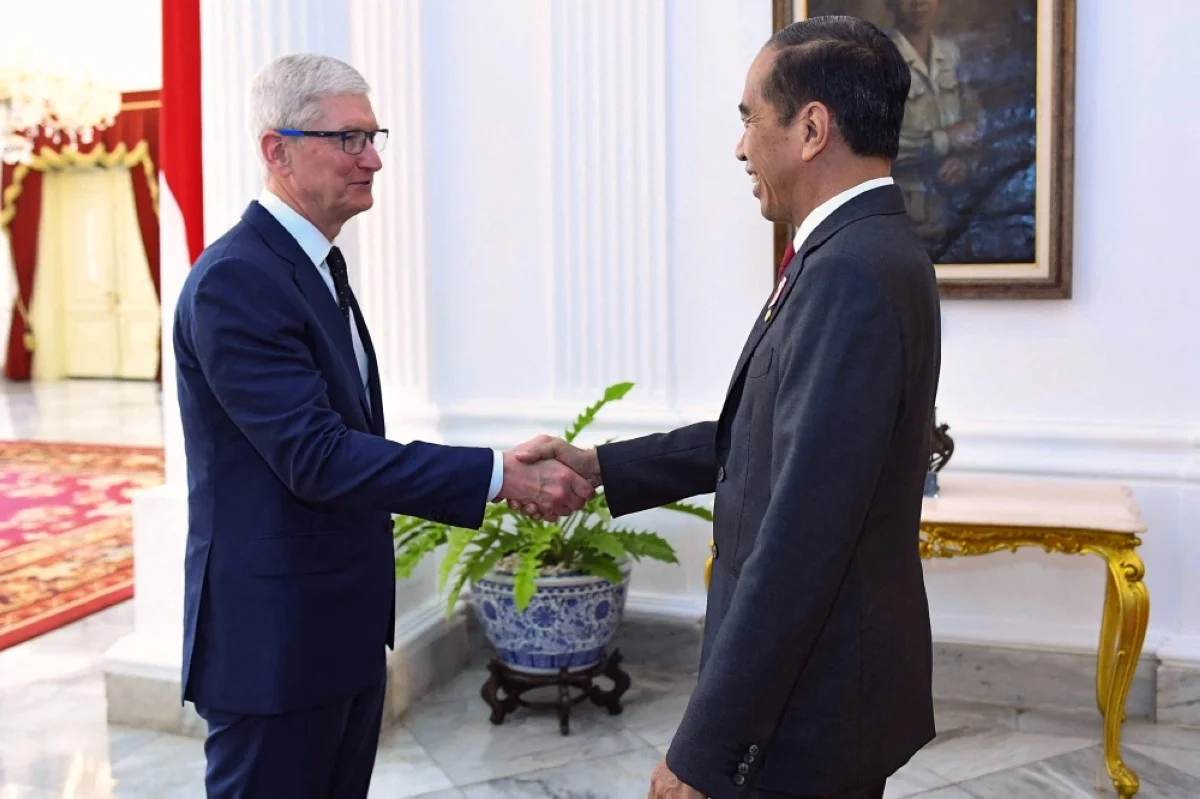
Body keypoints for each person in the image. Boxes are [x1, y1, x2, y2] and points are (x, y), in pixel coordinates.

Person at [517, 15, 941, 799]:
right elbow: (762, 435)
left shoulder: (850, 272)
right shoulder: (857, 250)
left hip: (807, 713)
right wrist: (604, 465)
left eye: (749, 117)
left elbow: (801, 539)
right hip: (821, 695)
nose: (740, 147)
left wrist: (705, 750)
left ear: (811, 128)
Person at [173, 53, 593, 798]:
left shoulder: (315, 266)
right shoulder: (238, 279)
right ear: (277, 149)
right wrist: (499, 475)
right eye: (349, 139)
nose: (372, 158)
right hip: (272, 648)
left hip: (337, 633)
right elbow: (319, 457)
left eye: (375, 136)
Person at [885, 0, 984, 256]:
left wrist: (966, 163)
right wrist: (945, 140)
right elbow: (874, 144)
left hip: (956, 216)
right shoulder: (878, 57)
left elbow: (978, 122)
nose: (918, 3)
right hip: (903, 218)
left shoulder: (951, 53)